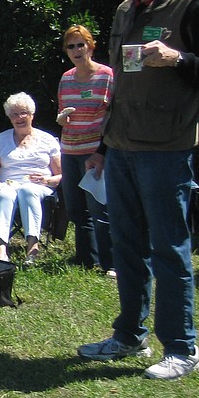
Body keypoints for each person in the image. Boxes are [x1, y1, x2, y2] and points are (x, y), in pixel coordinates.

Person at [78, 0, 199, 379]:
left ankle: (182, 348)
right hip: (122, 146)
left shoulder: (189, 8)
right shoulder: (125, 10)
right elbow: (121, 87)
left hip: (166, 149)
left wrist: (179, 59)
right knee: (126, 245)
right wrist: (104, 146)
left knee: (169, 247)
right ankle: (129, 335)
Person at [56, 25, 115, 274]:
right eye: (71, 46)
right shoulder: (66, 78)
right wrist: (61, 120)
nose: (77, 50)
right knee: (76, 209)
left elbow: (114, 116)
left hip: (96, 151)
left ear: (91, 46)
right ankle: (86, 260)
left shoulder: (107, 75)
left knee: (99, 208)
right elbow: (62, 112)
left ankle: (109, 263)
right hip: (69, 148)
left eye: (81, 44)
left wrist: (102, 152)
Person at [0, 92, 62, 265]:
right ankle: (0, 248)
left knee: (28, 190)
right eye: (14, 114)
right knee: (5, 195)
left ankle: (33, 248)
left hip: (39, 185)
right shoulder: (1, 139)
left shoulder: (47, 140)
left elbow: (61, 175)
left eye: (23, 113)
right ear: (9, 118)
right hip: (8, 183)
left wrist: (47, 181)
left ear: (32, 114)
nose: (19, 118)